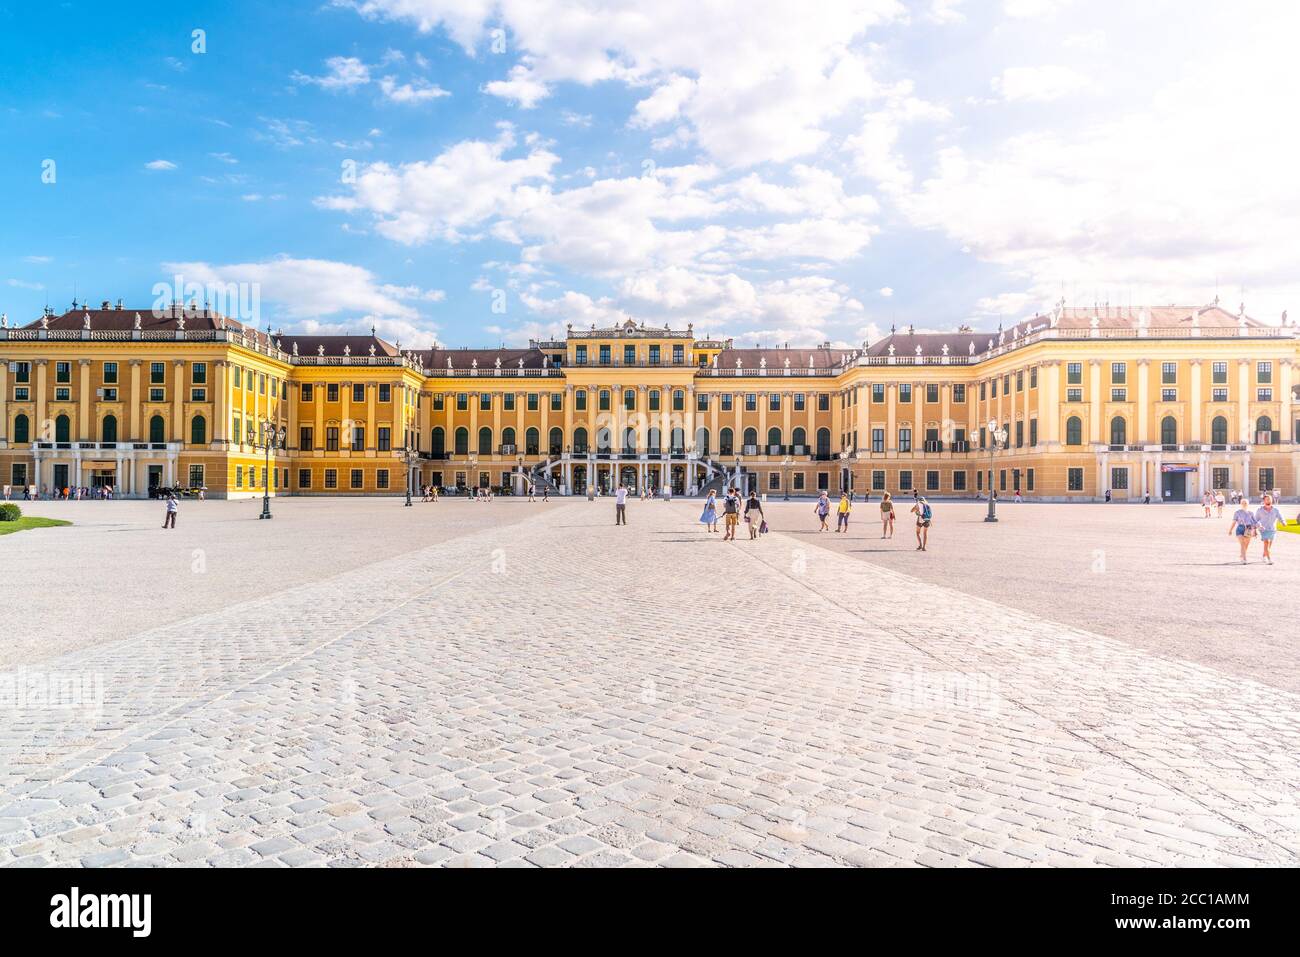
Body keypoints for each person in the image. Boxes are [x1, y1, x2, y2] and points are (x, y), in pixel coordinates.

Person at [1255, 494, 1284, 565]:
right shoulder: (1260, 510)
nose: (1269, 500)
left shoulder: (1275, 510)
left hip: (1272, 529)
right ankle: (1269, 559)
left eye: (1270, 499)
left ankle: (1264, 556)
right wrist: (1256, 528)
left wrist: (1283, 522)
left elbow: (1280, 516)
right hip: (1263, 529)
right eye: (1267, 499)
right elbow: (1255, 520)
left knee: (1269, 545)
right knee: (1266, 543)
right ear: (1264, 501)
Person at [1228, 496, 1258, 564]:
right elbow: (1234, 522)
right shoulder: (1237, 512)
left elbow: (1255, 522)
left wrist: (1255, 531)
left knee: (1246, 544)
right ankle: (1244, 559)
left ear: (1248, 504)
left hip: (1249, 528)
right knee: (1242, 544)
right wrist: (1230, 530)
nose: (1244, 504)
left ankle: (1242, 555)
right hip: (1240, 528)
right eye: (1243, 503)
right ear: (1241, 504)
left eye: (1246, 503)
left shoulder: (1251, 513)